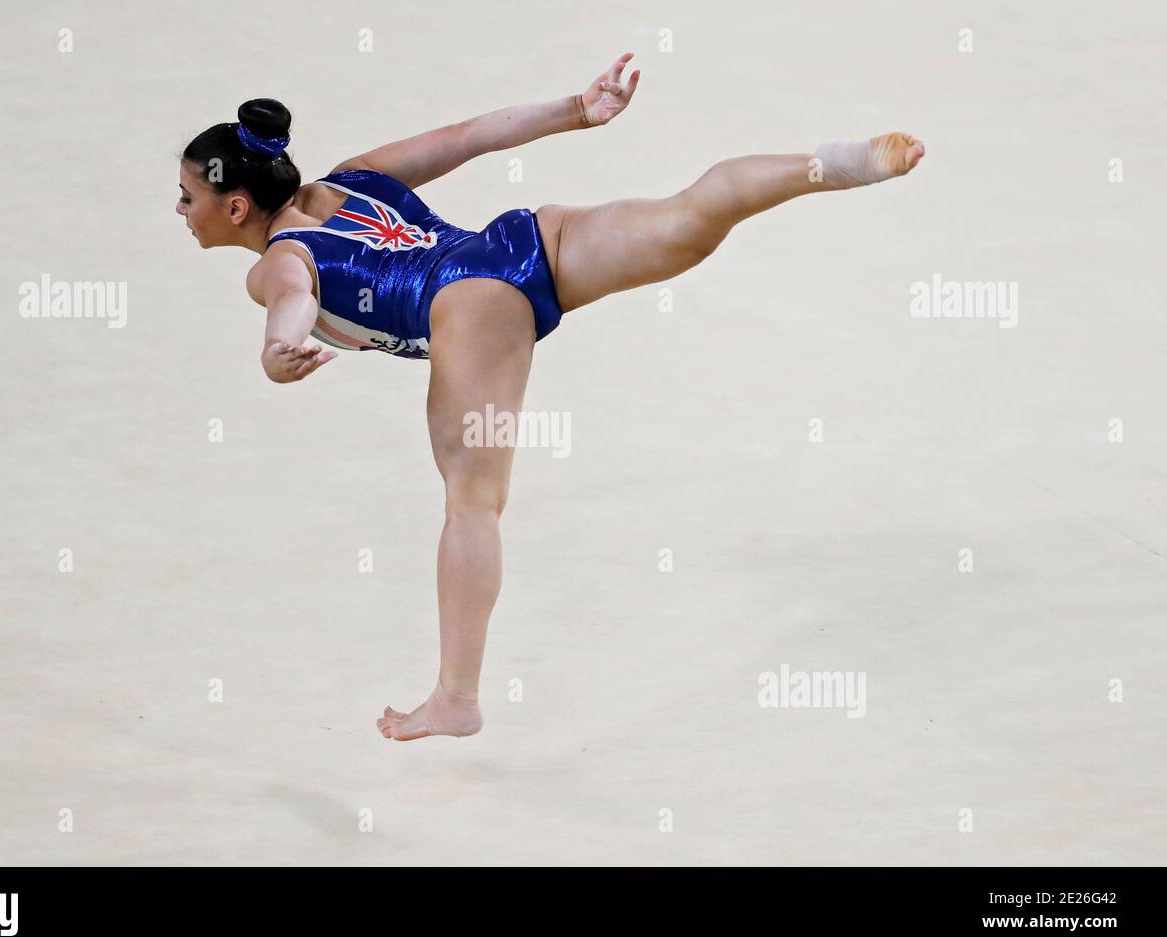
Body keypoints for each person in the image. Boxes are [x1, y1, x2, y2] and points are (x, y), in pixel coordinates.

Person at [175, 52, 925, 741]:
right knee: (689, 217)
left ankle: (456, 698)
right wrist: (576, 108)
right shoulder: (355, 175)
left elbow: (292, 300)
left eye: (187, 197)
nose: (180, 210)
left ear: (235, 207)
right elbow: (471, 135)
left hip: (464, 304)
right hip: (524, 242)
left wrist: (278, 352)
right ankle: (845, 163)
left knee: (472, 501)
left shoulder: (276, 260)